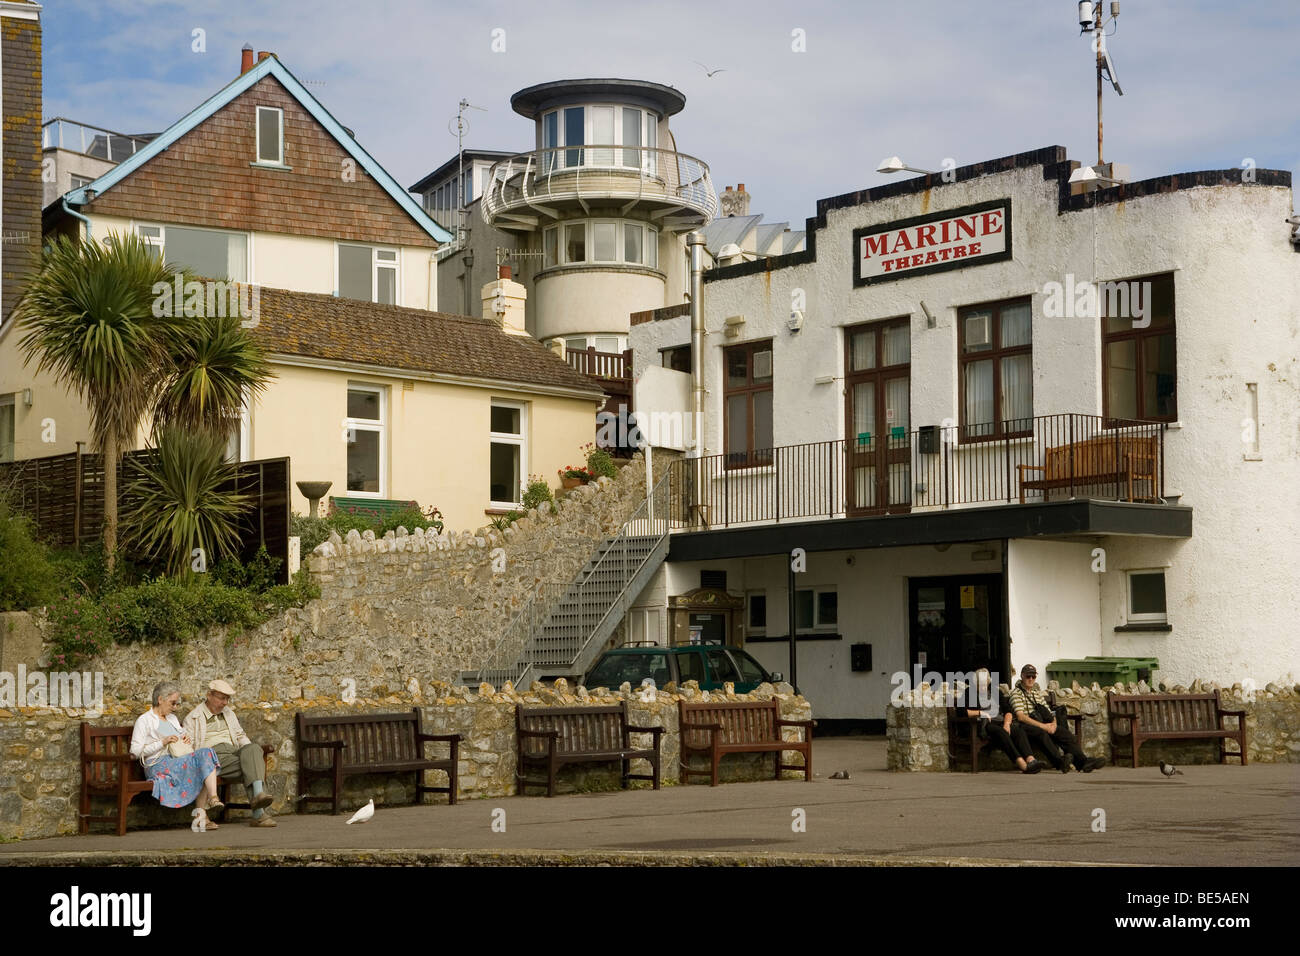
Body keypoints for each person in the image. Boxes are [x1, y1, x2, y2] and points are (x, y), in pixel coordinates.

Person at [129, 681, 224, 827]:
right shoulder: (145, 720)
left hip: (177, 761)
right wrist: (162, 742)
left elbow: (183, 738)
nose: (175, 707)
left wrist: (186, 738)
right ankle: (202, 816)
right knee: (202, 764)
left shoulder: (172, 719)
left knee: (206, 754)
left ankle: (212, 799)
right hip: (158, 765)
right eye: (172, 703)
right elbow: (135, 752)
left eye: (176, 704)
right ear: (160, 699)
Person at [183, 679, 276, 827]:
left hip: (234, 752)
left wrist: (252, 756)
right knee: (251, 767)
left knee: (254, 749)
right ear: (209, 695)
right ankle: (259, 814)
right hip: (213, 757)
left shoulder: (228, 713)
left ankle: (259, 794)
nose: (225, 702)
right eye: (222, 698)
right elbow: (188, 747)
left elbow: (240, 736)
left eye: (227, 699)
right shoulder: (193, 717)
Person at [1010, 664, 1105, 773]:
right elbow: (1021, 717)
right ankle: (1059, 762)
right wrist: (1044, 726)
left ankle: (1083, 762)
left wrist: (1053, 724)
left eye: (1033, 677)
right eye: (1028, 676)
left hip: (1043, 724)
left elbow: (1050, 713)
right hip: (1026, 726)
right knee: (1041, 733)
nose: (1031, 679)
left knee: (1065, 734)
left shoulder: (1036, 694)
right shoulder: (1016, 693)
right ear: (1022, 676)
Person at [964, 668, 1043, 774]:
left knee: (1018, 731)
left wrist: (1007, 723)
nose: (983, 686)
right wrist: (980, 713)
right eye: (980, 684)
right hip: (984, 724)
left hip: (1000, 721)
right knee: (1001, 732)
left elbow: (1008, 710)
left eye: (985, 683)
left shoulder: (995, 691)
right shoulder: (970, 692)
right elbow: (962, 712)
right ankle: (1022, 765)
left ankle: (1031, 760)